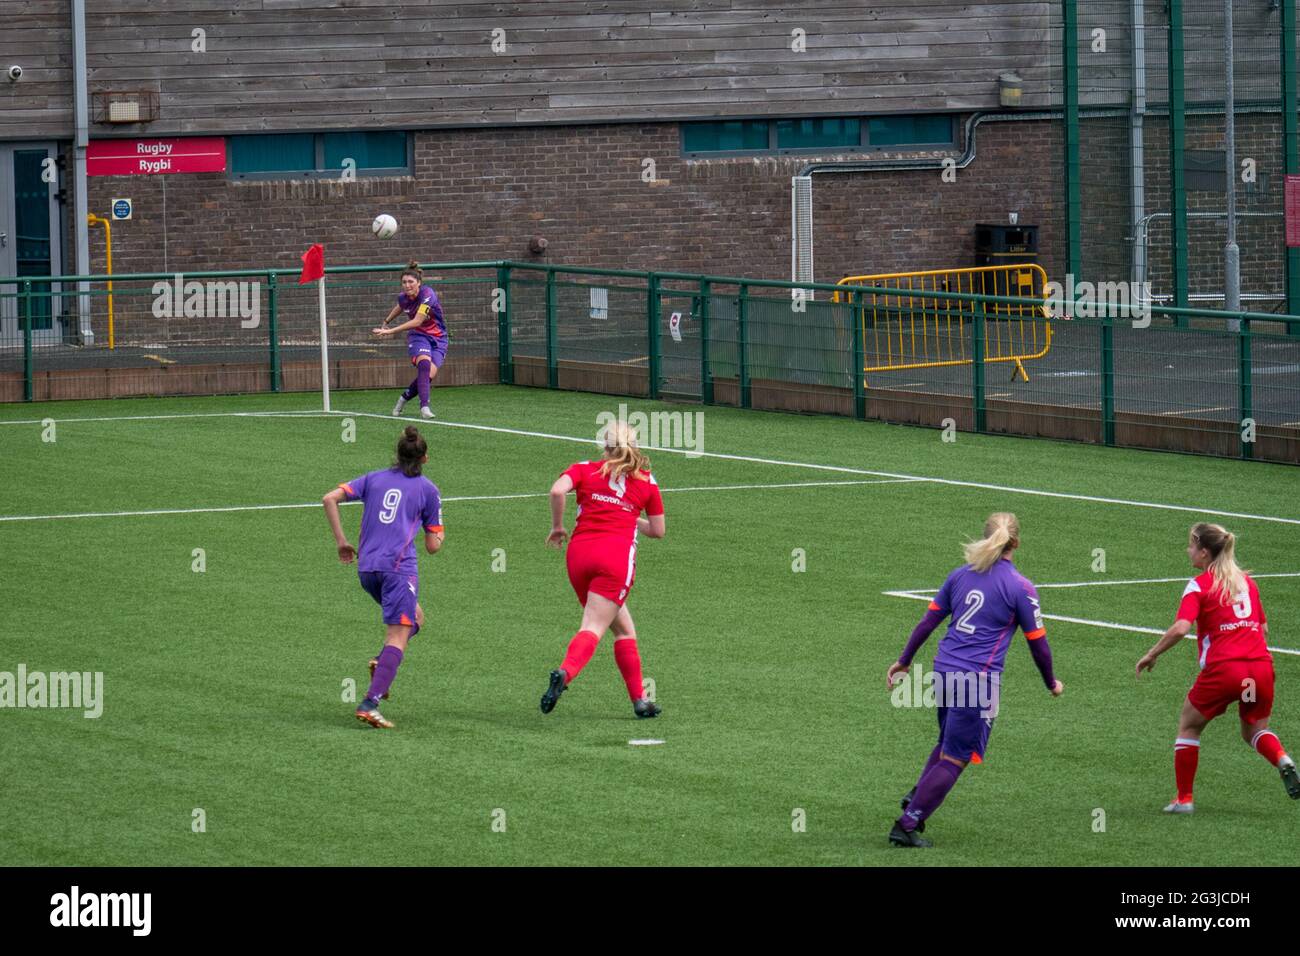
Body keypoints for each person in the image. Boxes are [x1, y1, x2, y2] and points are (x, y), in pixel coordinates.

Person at [885, 512, 1063, 847]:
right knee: (957, 756)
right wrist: (1051, 682)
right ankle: (908, 823)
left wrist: (904, 661)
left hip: (942, 670)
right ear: (1017, 543)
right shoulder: (1021, 588)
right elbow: (1038, 645)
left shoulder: (960, 575)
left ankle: (918, 797)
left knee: (947, 742)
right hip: (977, 681)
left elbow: (928, 623)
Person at [1136, 522, 1299, 811]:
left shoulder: (1198, 585)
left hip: (1225, 672)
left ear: (1204, 552)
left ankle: (1184, 799)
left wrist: (1152, 654)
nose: (1188, 550)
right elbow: (1263, 629)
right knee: (1253, 730)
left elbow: (1180, 628)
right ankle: (1282, 758)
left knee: (1189, 727)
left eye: (1191, 545)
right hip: (1258, 673)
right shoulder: (1247, 583)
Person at [539, 421, 665, 719]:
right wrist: (628, 514)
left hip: (579, 557)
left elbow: (558, 492)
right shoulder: (646, 481)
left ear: (604, 447)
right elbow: (658, 530)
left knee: (623, 629)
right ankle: (564, 674)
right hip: (614, 560)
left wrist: (558, 527)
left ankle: (640, 700)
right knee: (593, 626)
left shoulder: (584, 468)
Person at [321, 426, 444, 729]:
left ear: (398, 454)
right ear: (425, 458)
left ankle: (381, 663)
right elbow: (432, 547)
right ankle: (370, 702)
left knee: (415, 618)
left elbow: (329, 498)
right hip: (398, 569)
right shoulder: (428, 489)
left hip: (368, 570)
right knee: (398, 635)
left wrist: (341, 541)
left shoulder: (373, 478)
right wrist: (439, 534)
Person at [373, 260, 448, 420]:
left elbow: (417, 320)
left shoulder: (427, 295)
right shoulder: (403, 297)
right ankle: (424, 408)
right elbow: (400, 306)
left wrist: (389, 331)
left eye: (410, 282)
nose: (407, 285)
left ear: (419, 283)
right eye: (404, 282)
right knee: (424, 364)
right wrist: (386, 321)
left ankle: (403, 398)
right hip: (418, 336)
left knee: (428, 375)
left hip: (438, 338)